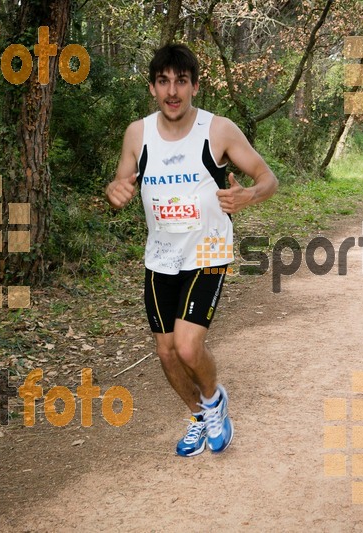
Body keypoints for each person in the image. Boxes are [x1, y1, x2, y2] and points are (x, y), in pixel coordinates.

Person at [105, 43, 277, 456]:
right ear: (152, 88)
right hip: (161, 258)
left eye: (181, 81)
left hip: (207, 254)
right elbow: (120, 184)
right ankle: (200, 416)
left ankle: (215, 399)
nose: (172, 91)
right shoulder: (137, 134)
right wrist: (115, 190)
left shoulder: (218, 130)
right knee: (165, 353)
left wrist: (248, 196)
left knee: (186, 345)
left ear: (195, 86)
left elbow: (267, 177)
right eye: (163, 81)